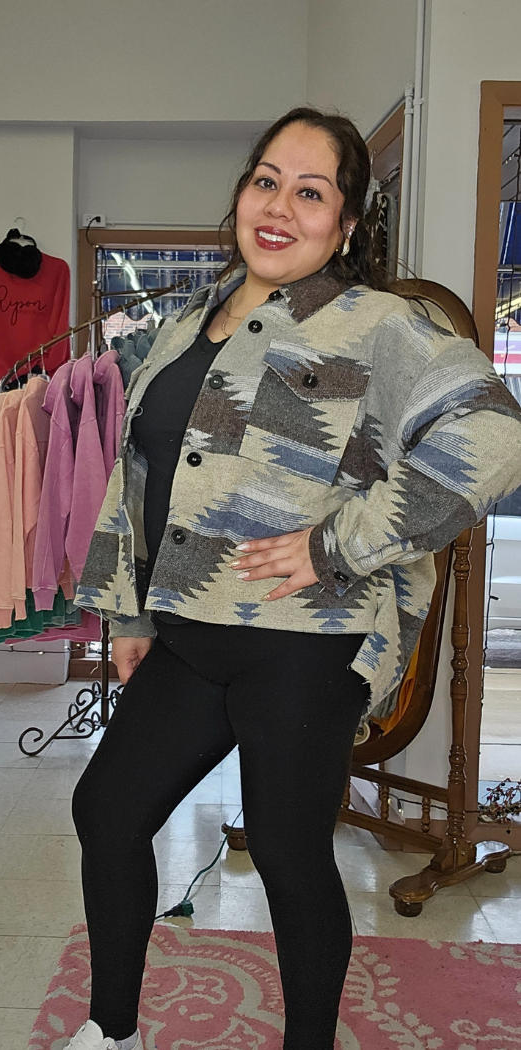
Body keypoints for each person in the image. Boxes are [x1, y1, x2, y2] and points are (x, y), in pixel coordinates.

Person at [70, 107, 521, 1050]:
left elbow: (494, 437)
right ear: (241, 193)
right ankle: (111, 1030)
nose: (280, 206)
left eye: (311, 192)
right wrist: (128, 613)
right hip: (188, 630)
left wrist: (337, 544)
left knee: (285, 851)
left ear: (347, 226)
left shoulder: (381, 326)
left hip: (304, 641)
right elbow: (138, 474)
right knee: (107, 811)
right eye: (266, 179)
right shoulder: (187, 321)